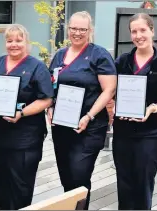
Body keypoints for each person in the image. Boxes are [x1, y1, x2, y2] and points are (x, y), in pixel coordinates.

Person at [0, 24, 53, 210]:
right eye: (10, 40)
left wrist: (22, 113)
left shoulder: (37, 67)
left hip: (25, 138)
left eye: (19, 40)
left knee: (21, 186)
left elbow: (47, 99)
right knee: (0, 183)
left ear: (26, 42)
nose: (14, 44)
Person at [47, 11, 117, 210]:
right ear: (68, 29)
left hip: (89, 127)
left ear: (90, 31)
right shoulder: (60, 55)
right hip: (61, 126)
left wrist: (89, 115)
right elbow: (51, 85)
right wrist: (50, 108)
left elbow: (109, 89)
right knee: (66, 177)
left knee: (79, 175)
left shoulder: (99, 55)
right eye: (73, 28)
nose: (77, 33)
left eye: (82, 29)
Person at [112, 13, 157, 210]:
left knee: (142, 185)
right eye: (134, 31)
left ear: (152, 31)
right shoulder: (122, 61)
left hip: (149, 135)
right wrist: (113, 105)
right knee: (124, 184)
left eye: (143, 30)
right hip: (122, 132)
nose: (138, 35)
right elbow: (111, 90)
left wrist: (154, 107)